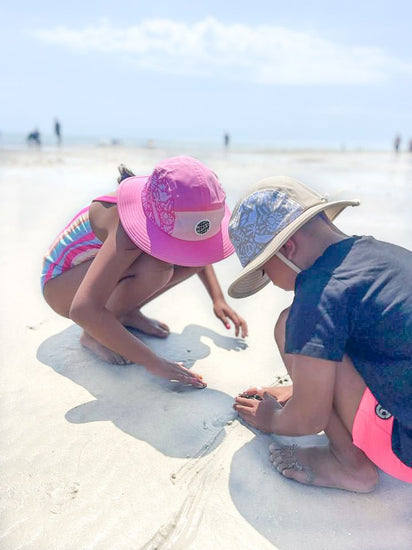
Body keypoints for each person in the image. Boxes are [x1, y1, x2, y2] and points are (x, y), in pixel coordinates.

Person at [229, 176, 412, 492]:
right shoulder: (384, 255)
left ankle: (349, 465)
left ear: (287, 247)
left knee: (289, 324)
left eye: (263, 268)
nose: (268, 280)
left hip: (404, 449)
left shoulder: (320, 290)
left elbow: (308, 420)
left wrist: (271, 418)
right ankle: (315, 386)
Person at [41, 156, 247, 388]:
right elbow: (82, 309)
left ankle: (124, 312)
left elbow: (197, 254)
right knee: (156, 267)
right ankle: (93, 333)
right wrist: (153, 362)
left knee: (187, 261)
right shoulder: (126, 230)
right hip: (60, 286)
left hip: (92, 277)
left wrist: (217, 299)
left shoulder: (159, 208)